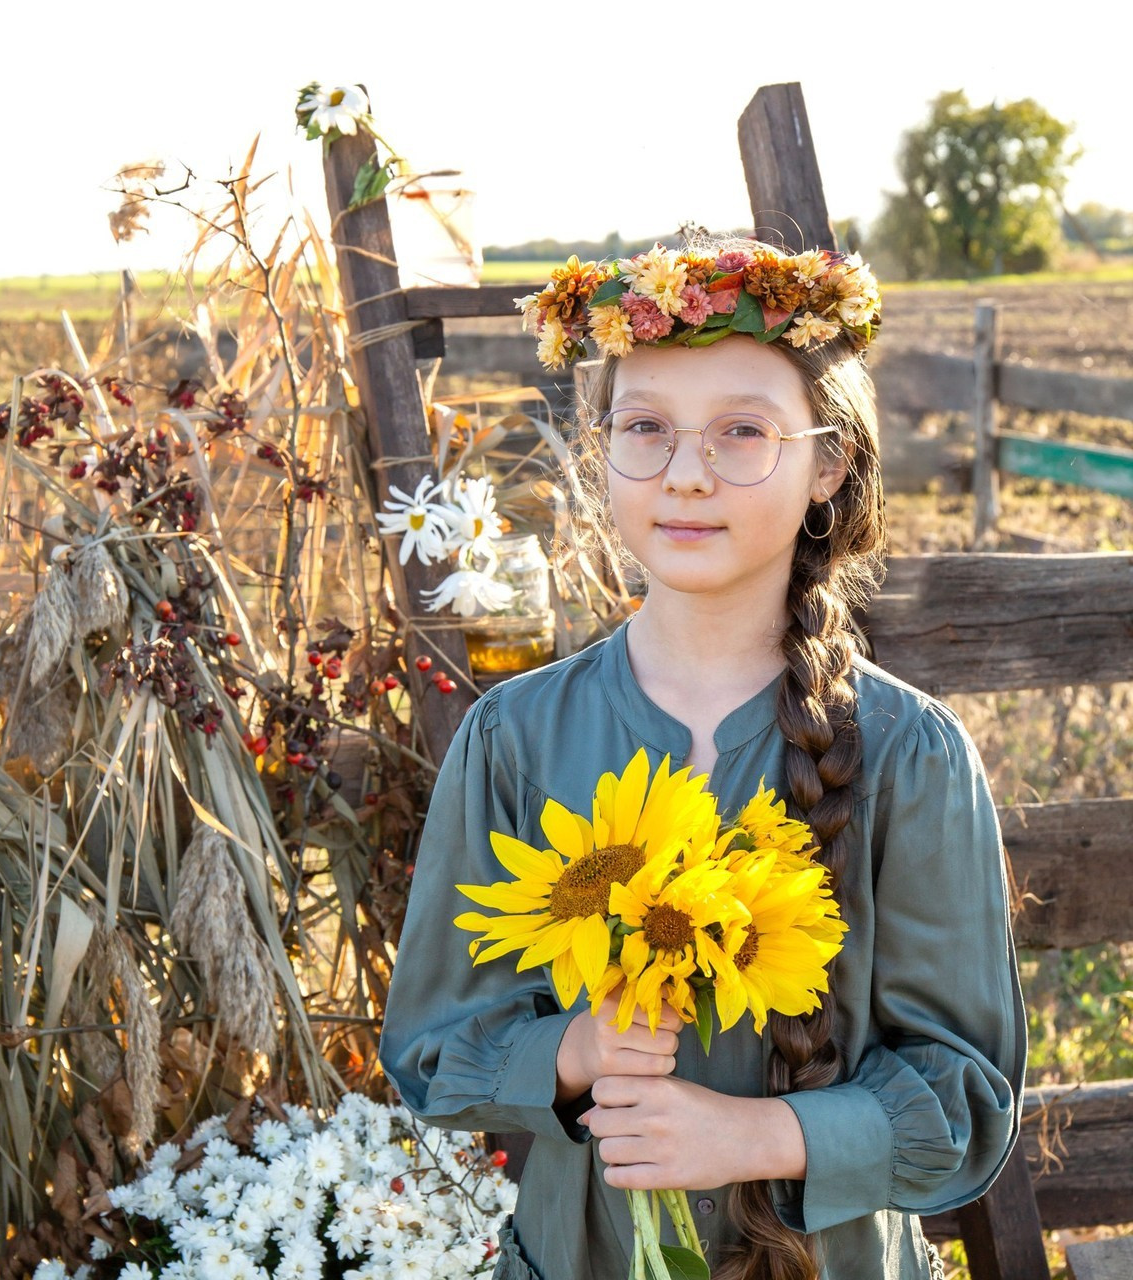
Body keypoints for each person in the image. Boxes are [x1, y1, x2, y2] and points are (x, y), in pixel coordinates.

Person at [378, 237, 1026, 1280]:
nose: (684, 471)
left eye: (740, 431)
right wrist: (571, 1053)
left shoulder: (911, 756)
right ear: (600, 451)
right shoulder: (513, 736)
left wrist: (758, 1137)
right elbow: (430, 1047)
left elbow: (964, 1101)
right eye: (645, 428)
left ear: (829, 462)